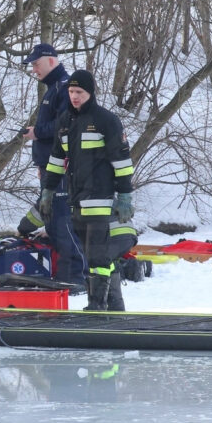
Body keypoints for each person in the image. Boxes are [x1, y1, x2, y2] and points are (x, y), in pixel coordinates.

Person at [41, 70, 135, 311]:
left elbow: (122, 161)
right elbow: (55, 159)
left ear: (90, 92)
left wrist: (125, 194)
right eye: (71, 92)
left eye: (79, 92)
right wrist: (48, 190)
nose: (74, 96)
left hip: (101, 199)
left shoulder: (106, 120)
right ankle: (115, 306)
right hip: (78, 202)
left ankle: (96, 306)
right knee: (95, 258)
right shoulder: (64, 121)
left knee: (97, 258)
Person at [21, 43, 86, 287]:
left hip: (61, 169)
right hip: (50, 168)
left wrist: (36, 132)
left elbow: (64, 125)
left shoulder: (65, 88)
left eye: (36, 64)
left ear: (50, 61)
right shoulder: (53, 89)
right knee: (54, 224)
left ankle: (76, 278)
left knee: (62, 224)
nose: (34, 70)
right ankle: (65, 276)